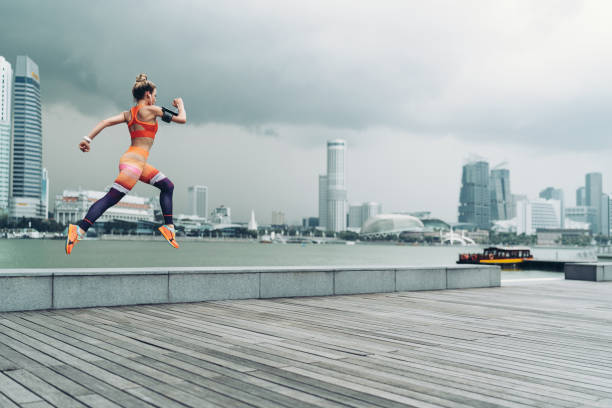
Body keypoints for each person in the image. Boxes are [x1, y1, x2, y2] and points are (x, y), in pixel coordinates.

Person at [65, 74, 187, 255]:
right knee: (110, 199)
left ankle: (169, 227)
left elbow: (105, 122)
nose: (155, 99)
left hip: (135, 161)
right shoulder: (153, 110)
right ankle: (79, 229)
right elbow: (182, 119)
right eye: (155, 95)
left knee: (167, 186)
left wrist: (87, 139)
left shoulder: (128, 114)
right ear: (147, 95)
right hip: (134, 164)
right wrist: (181, 105)